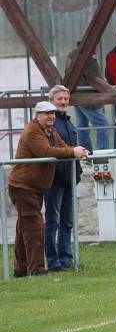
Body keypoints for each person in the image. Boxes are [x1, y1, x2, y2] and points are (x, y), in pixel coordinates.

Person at [8, 101, 89, 277]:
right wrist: (72, 152)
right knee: (36, 227)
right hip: (22, 187)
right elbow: (45, 151)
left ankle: (20, 269)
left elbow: (61, 147)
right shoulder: (33, 131)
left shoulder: (51, 131)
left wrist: (77, 151)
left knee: (24, 228)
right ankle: (36, 269)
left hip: (34, 188)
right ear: (37, 116)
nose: (51, 116)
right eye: (46, 113)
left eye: (52, 113)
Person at [44, 86, 82, 272]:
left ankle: (65, 259)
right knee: (53, 221)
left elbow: (72, 148)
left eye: (66, 98)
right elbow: (51, 151)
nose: (64, 102)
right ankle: (53, 262)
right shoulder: (49, 124)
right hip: (54, 180)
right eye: (60, 99)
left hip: (70, 178)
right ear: (52, 100)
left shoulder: (68, 122)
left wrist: (79, 170)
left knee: (67, 222)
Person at [66, 41, 109, 152]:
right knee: (103, 125)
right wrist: (104, 84)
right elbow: (95, 78)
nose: (97, 48)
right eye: (96, 45)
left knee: (82, 127)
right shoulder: (89, 59)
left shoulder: (71, 56)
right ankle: (102, 153)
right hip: (89, 98)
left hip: (76, 95)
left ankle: (85, 153)